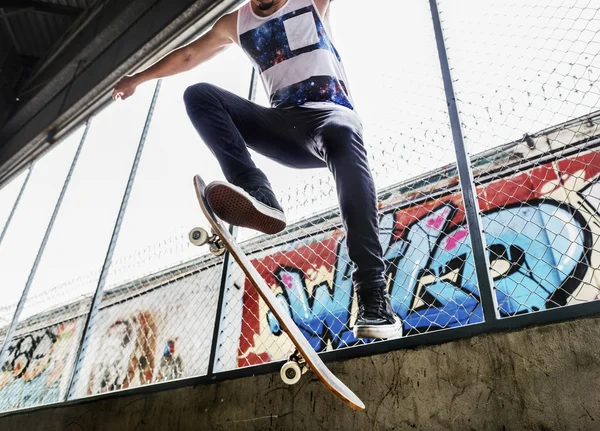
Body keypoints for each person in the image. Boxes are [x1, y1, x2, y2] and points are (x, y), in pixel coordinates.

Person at [112, 0, 402, 339]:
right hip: (283, 126)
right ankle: (256, 189)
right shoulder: (234, 24)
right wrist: (137, 78)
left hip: (330, 117)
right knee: (200, 95)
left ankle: (373, 295)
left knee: (343, 131)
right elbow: (189, 56)